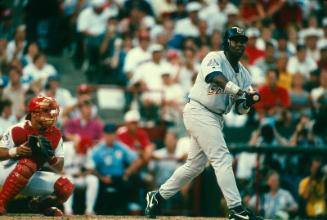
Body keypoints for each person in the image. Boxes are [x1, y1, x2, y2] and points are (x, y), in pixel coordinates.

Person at [145, 26, 262, 220]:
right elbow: (213, 78)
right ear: (227, 42)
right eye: (235, 40)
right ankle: (236, 209)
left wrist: (247, 102)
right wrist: (240, 92)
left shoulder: (245, 75)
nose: (239, 44)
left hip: (216, 117)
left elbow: (241, 110)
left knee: (194, 166)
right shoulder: (214, 57)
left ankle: (157, 197)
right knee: (222, 158)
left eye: (242, 41)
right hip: (198, 110)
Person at [0, 96, 74, 216]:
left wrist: (51, 158)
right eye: (46, 111)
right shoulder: (18, 129)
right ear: (34, 113)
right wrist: (16, 151)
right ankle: (1, 203)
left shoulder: (55, 134)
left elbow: (59, 168)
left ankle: (39, 205)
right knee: (28, 163)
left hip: (29, 176)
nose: (51, 114)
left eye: (51, 110)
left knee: (66, 186)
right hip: (4, 173)